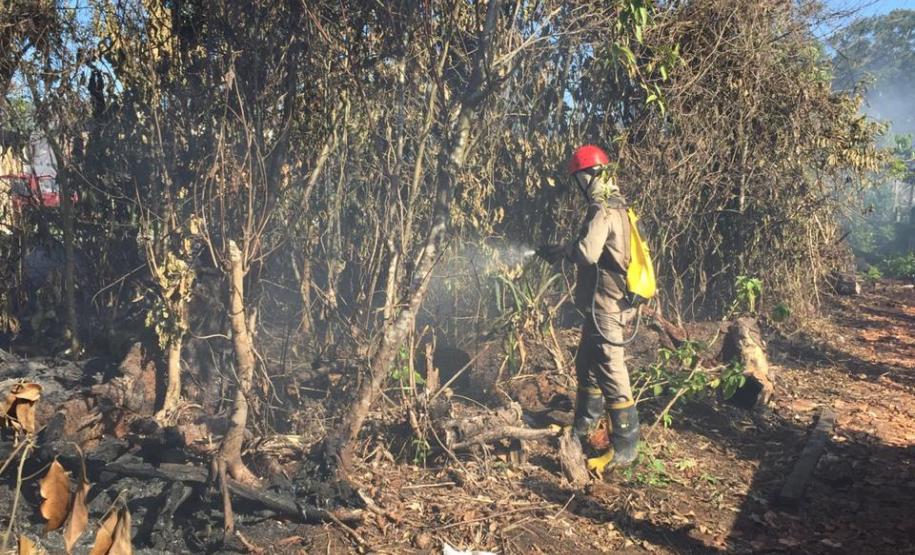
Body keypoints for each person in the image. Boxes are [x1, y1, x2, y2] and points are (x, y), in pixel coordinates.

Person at [536, 144, 640, 474]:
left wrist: (564, 249)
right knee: (587, 364)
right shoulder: (617, 206)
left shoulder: (603, 210)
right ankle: (583, 428)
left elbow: (588, 252)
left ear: (587, 177)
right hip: (601, 306)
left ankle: (625, 448)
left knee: (611, 368)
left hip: (607, 307)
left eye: (578, 179)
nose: (578, 186)